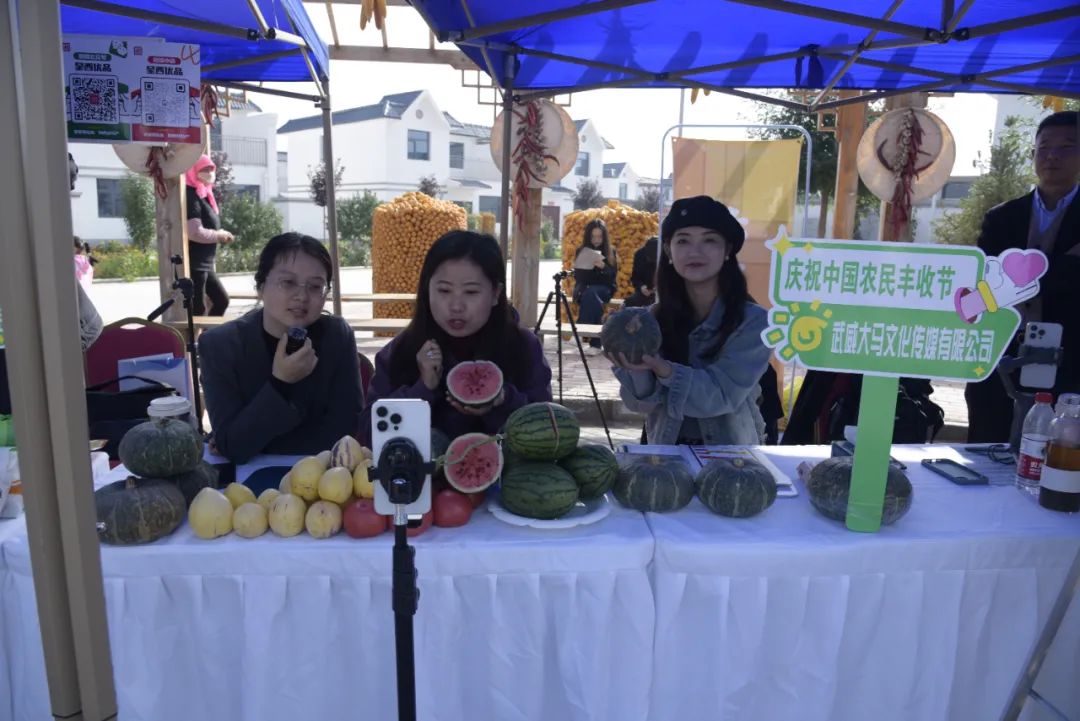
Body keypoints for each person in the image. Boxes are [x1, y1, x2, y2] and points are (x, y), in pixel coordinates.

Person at [607, 195, 771, 445]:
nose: (695, 251)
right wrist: (637, 367)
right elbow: (641, 404)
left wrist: (665, 370)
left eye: (709, 240)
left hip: (731, 459)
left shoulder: (753, 322)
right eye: (683, 240)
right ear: (668, 250)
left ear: (727, 250)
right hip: (666, 457)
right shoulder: (650, 321)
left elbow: (721, 396)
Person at [362, 230, 552, 443]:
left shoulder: (524, 347)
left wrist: (504, 399)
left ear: (495, 294)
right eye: (444, 291)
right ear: (427, 290)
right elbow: (368, 435)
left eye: (471, 292)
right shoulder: (400, 350)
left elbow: (548, 431)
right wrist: (422, 389)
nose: (456, 306)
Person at [965, 111, 1080, 443]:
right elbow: (987, 280)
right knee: (987, 443)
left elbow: (1009, 282)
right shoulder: (1002, 217)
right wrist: (1062, 266)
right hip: (1002, 352)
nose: (1052, 156)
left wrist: (1020, 277)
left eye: (1066, 147)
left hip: (1071, 357)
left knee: (1057, 449)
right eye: (1044, 148)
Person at [199, 232, 362, 463]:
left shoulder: (336, 337)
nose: (302, 296)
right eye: (288, 283)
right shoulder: (220, 346)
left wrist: (251, 439)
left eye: (315, 286)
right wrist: (280, 383)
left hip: (325, 476)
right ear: (261, 286)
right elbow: (233, 446)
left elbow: (345, 434)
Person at [185, 155, 234, 317]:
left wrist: (220, 233)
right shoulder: (191, 196)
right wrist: (218, 235)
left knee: (221, 301)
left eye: (211, 169)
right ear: (193, 171)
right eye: (204, 169)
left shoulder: (204, 193)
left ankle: (210, 333)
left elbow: (207, 226)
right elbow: (194, 232)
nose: (209, 173)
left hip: (205, 264)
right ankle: (201, 334)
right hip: (195, 264)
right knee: (198, 310)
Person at [572, 219, 619, 351]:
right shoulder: (581, 250)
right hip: (585, 288)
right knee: (592, 296)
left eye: (599, 236)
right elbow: (578, 277)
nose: (596, 240)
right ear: (588, 236)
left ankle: (582, 325)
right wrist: (587, 267)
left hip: (605, 288)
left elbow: (612, 276)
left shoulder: (610, 251)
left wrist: (604, 267)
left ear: (604, 237)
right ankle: (596, 343)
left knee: (592, 293)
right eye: (593, 236)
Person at [624, 235, 658, 308]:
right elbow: (635, 278)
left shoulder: (667, 255)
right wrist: (641, 286)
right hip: (644, 292)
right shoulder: (639, 255)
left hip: (663, 292)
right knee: (630, 301)